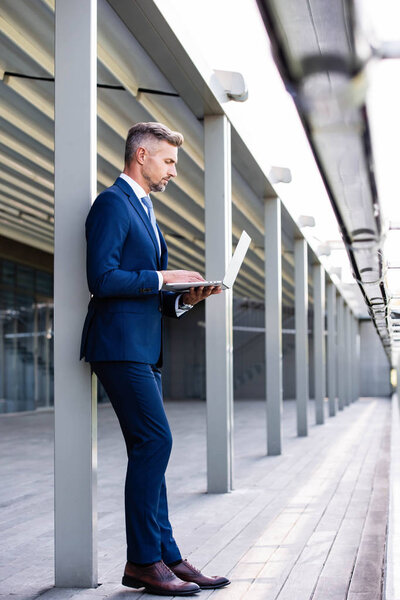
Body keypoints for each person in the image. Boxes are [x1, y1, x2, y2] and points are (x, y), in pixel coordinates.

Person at [80, 122, 230, 596]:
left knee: (154, 450)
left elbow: (151, 290)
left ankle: (166, 555)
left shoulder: (144, 209)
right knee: (155, 443)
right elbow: (102, 279)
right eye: (168, 162)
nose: (173, 172)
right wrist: (164, 276)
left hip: (145, 347)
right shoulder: (112, 203)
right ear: (140, 155)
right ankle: (143, 562)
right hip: (119, 344)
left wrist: (185, 297)